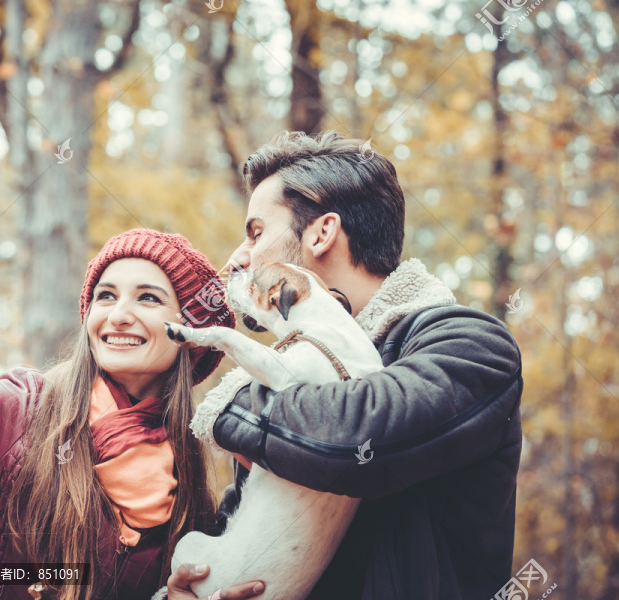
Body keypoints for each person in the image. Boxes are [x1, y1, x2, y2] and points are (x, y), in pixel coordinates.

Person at [0, 144, 267, 600]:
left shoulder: (194, 473)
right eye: (106, 295)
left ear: (188, 336)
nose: (117, 315)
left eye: (149, 299)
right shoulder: (17, 409)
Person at [167, 130, 523, 600]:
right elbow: (247, 526)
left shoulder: (470, 345)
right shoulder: (291, 375)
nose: (238, 258)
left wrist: (232, 407)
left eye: (256, 232)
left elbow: (356, 437)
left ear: (322, 232)